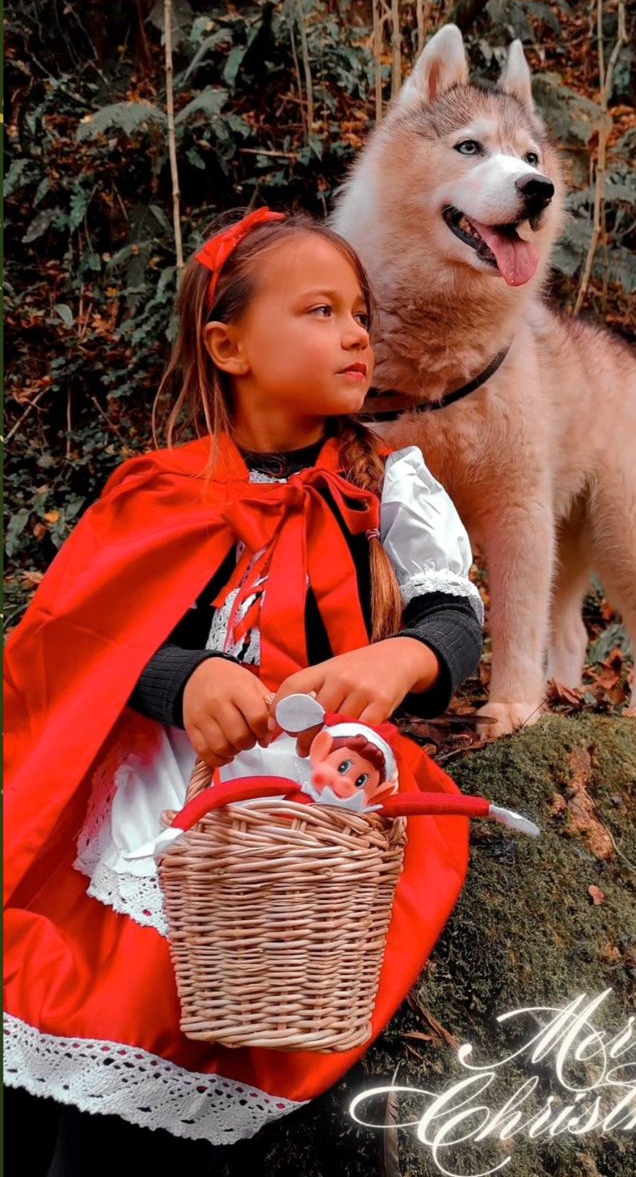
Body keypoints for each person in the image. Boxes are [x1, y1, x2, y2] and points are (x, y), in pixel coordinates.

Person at [3, 208, 485, 1168]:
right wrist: (180, 677)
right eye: (320, 310)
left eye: (360, 312)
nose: (357, 333)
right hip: (162, 799)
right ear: (229, 346)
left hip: (317, 792)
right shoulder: (158, 491)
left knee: (247, 1017)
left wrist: (401, 659)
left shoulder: (388, 488)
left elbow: (455, 623)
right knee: (109, 1038)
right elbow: (76, 641)